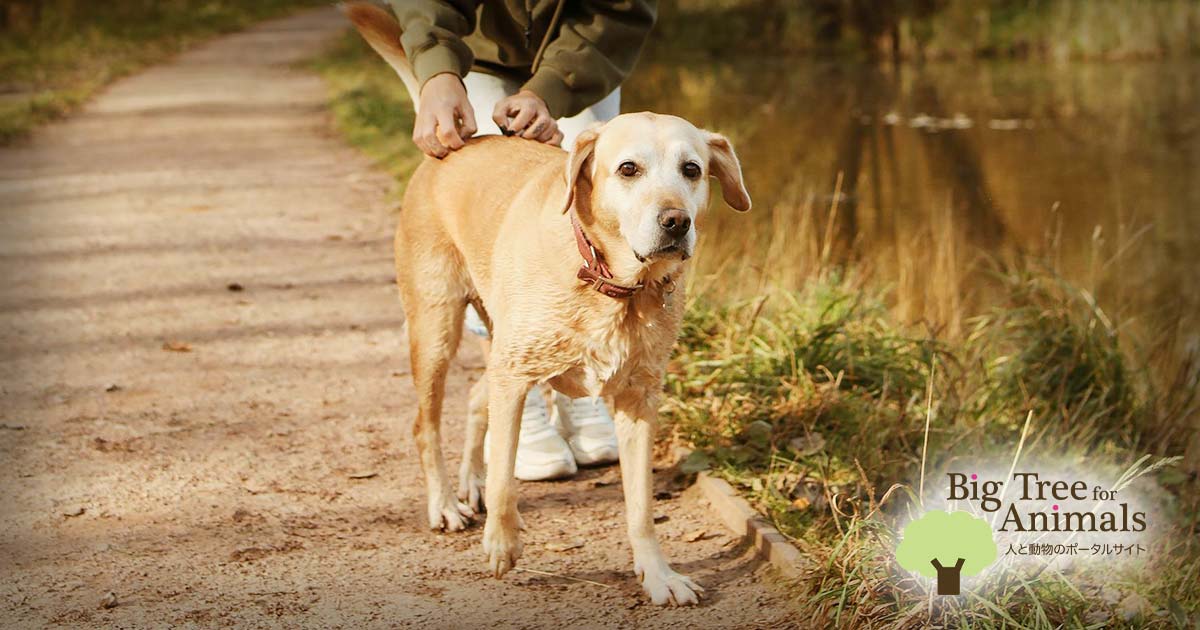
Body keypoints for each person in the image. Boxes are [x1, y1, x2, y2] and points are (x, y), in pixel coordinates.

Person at [387, 0, 657, 481]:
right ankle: (518, 394)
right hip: (474, 52)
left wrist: (551, 89)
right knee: (488, 216)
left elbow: (619, 10)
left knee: (592, 206)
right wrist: (436, 71)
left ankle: (581, 388)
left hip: (585, 50)